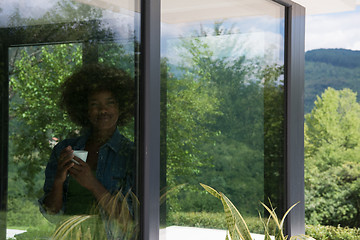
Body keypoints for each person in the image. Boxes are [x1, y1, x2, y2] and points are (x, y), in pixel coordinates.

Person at [38, 63, 137, 239]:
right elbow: (52, 213)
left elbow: (128, 221)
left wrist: (92, 183)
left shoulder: (130, 154)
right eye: (95, 104)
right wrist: (59, 180)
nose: (103, 110)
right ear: (85, 110)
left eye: (110, 102)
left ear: (121, 107)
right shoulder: (64, 149)